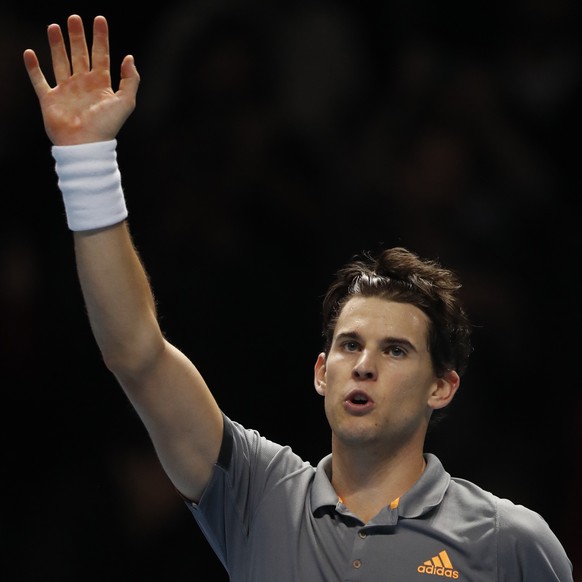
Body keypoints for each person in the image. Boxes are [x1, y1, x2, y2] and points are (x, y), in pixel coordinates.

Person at [23, 14, 574, 581]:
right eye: (349, 345)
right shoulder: (258, 495)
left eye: (396, 350)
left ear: (443, 386)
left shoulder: (511, 542)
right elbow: (136, 351)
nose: (363, 365)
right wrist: (86, 161)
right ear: (320, 372)